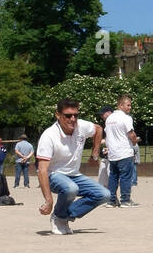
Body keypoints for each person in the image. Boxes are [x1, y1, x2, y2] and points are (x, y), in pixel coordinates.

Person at [36, 98, 107, 236]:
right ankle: (59, 216)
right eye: (68, 115)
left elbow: (98, 129)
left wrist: (94, 154)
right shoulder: (49, 136)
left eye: (76, 115)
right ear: (58, 115)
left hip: (74, 175)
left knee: (104, 195)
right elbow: (42, 170)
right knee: (71, 188)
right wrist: (48, 201)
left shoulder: (81, 126)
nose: (73, 119)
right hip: (54, 175)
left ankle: (62, 216)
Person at [104, 94, 140, 208]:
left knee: (113, 176)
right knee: (126, 177)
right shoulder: (126, 118)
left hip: (113, 153)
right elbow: (131, 134)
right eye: (128, 105)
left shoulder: (109, 118)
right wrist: (135, 141)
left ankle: (111, 200)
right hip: (124, 151)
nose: (130, 108)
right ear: (120, 105)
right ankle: (125, 200)